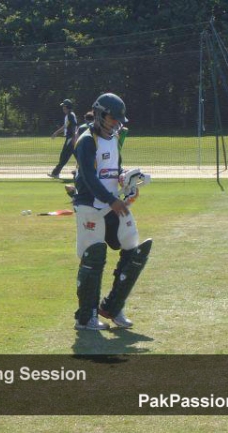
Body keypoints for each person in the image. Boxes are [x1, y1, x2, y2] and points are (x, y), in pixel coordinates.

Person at [73, 93, 152, 330]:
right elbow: (88, 177)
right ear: (99, 114)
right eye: (111, 118)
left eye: (118, 119)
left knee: (133, 248)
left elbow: (112, 170)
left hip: (111, 203)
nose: (115, 123)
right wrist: (111, 199)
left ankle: (113, 307)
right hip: (90, 205)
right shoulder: (87, 141)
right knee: (94, 256)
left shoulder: (115, 139)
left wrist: (126, 182)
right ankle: (86, 317)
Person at [48, 99, 77, 179]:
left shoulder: (70, 115)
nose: (63, 108)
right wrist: (56, 133)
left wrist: (74, 138)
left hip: (71, 138)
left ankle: (55, 173)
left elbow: (74, 126)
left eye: (64, 106)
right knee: (77, 156)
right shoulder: (69, 115)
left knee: (64, 156)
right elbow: (65, 126)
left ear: (67, 107)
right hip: (71, 138)